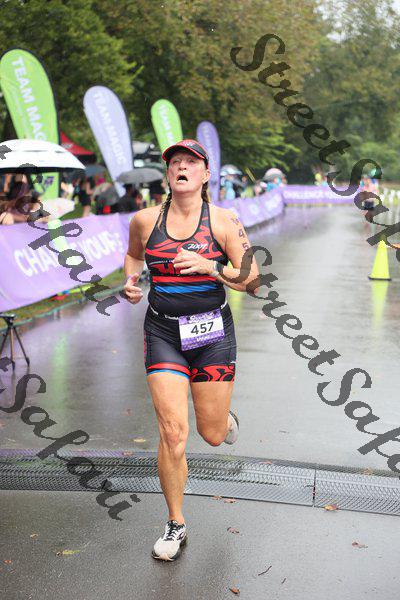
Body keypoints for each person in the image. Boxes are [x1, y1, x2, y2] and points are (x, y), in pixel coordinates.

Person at [123, 139, 260, 562]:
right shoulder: (145, 220)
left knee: (212, 434)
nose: (182, 167)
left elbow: (253, 281)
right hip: (163, 332)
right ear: (169, 174)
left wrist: (212, 267)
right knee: (172, 432)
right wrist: (130, 282)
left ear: (205, 174)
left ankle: (225, 419)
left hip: (211, 335)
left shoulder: (224, 221)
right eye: (175, 163)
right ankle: (175, 522)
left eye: (190, 162)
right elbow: (132, 257)